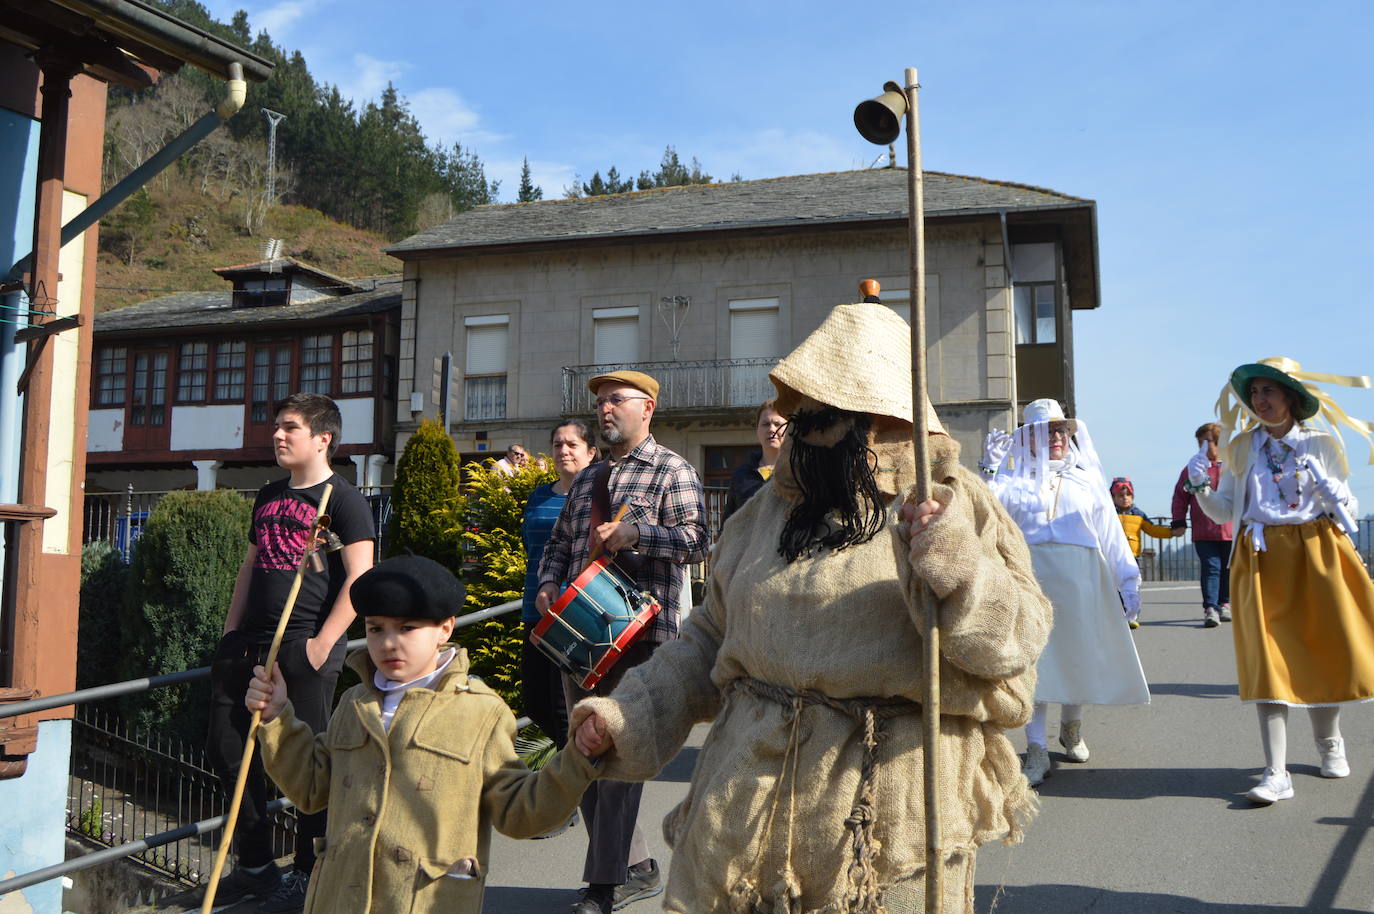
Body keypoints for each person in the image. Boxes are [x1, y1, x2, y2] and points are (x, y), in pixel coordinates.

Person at [570, 303, 1052, 913]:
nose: (812, 429)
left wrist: (955, 569)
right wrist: (628, 713)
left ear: (886, 420)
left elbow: (1014, 642)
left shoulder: (953, 506)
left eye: (836, 416)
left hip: (890, 809)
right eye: (807, 413)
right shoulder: (763, 515)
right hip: (747, 804)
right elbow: (710, 641)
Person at [245, 554, 600, 914]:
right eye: (375, 628)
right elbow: (310, 787)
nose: (389, 643)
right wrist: (277, 717)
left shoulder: (480, 711)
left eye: (408, 628)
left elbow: (520, 812)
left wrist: (577, 762)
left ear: (445, 628)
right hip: (338, 900)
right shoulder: (354, 703)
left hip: (426, 903)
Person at [536, 369, 708, 914]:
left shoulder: (671, 470)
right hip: (578, 637)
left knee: (618, 756)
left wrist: (639, 534)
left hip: (641, 638)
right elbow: (561, 543)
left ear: (647, 408)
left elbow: (700, 540)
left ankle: (604, 886)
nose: (604, 409)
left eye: (616, 400)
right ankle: (635, 866)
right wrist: (546, 584)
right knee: (583, 755)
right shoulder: (589, 478)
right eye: (601, 402)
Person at [204, 393, 375, 912]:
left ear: (323, 438)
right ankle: (255, 865)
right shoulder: (269, 493)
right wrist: (230, 634)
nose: (277, 435)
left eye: (290, 428)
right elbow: (250, 566)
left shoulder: (343, 500)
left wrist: (322, 646)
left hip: (302, 649)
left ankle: (308, 870)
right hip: (247, 647)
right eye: (276, 426)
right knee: (228, 751)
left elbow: (361, 578)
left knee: (310, 764)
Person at [1186, 358, 1374, 805]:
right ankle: (1276, 772)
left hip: (1318, 549)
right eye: (1254, 394)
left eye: (1269, 391)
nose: (1260, 400)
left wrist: (1333, 489)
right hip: (1261, 555)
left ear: (1291, 397)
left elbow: (1347, 505)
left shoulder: (1321, 443)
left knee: (1321, 650)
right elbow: (1226, 511)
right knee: (1268, 660)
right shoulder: (1242, 447)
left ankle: (1329, 742)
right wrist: (1201, 490)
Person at [980, 399, 1148, 786]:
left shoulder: (1085, 478)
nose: (1058, 437)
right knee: (1036, 665)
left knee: (1077, 657)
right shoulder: (1014, 479)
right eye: (1049, 430)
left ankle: (1071, 726)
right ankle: (1036, 747)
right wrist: (988, 468)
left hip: (1082, 578)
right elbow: (985, 511)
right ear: (1031, 436)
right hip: (1033, 579)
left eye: (1062, 430)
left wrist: (1127, 578)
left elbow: (1109, 531)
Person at [520, 420, 598, 750]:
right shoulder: (539, 496)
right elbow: (530, 545)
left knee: (566, 704)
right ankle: (571, 772)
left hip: (577, 614)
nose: (563, 451)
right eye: (557, 445)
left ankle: (575, 783)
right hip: (536, 606)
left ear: (591, 452)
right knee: (536, 702)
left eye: (572, 445)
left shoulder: (599, 497)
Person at [1171, 423, 1234, 628]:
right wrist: (1178, 521)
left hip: (1231, 531)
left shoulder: (1231, 468)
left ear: (1219, 443)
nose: (1202, 447)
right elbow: (1180, 496)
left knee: (1228, 569)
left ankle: (1225, 603)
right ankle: (1210, 608)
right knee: (1211, 568)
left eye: (1207, 442)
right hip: (1203, 530)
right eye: (1199, 443)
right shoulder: (1192, 469)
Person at [1109, 477, 1181, 627]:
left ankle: (1132, 616)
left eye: (1128, 495)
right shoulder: (1108, 513)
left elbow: (1152, 529)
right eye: (1120, 496)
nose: (1125, 499)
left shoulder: (1138, 514)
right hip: (1112, 556)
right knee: (1113, 587)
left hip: (1132, 557)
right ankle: (1116, 617)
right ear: (1113, 497)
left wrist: (1171, 533)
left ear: (1133, 496)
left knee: (1132, 587)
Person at [721, 399, 786, 522]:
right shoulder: (741, 475)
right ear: (757, 430)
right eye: (765, 424)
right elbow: (728, 525)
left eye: (777, 424)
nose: (771, 429)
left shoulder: (799, 473)